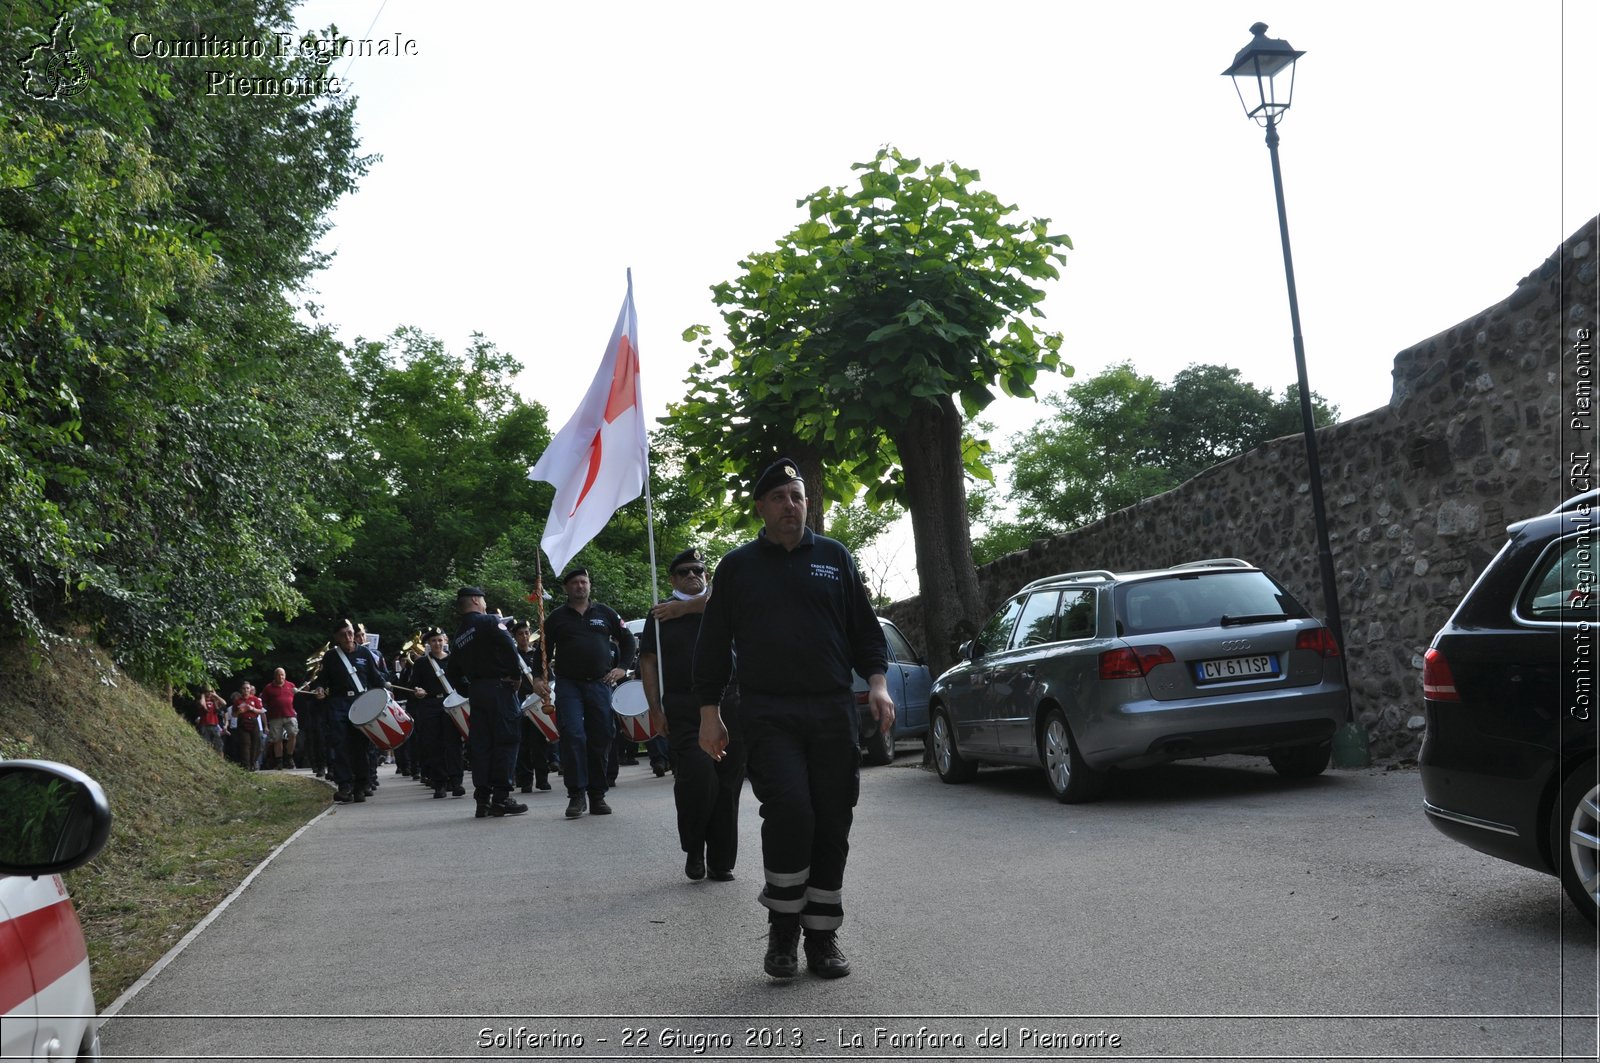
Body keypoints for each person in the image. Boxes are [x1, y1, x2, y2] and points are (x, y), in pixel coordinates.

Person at [692, 458, 894, 981]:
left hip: (831, 710)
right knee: (791, 812)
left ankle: (822, 937)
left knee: (832, 817)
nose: (790, 505)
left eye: (797, 496)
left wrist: (877, 684)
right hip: (768, 712)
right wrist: (708, 715)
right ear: (760, 507)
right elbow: (712, 646)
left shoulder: (834, 557)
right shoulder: (737, 567)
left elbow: (864, 631)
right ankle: (783, 929)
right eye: (779, 496)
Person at [640, 547, 744, 882]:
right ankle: (694, 848)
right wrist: (655, 708)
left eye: (698, 570)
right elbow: (648, 663)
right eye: (683, 572)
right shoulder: (658, 615)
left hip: (729, 702)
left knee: (728, 782)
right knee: (698, 779)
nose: (691, 576)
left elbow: (729, 604)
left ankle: (721, 860)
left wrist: (683, 608)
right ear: (672, 578)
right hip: (684, 706)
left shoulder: (720, 603)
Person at [532, 567, 635, 820]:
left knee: (602, 735)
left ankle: (597, 795)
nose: (580, 586)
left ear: (589, 585)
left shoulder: (605, 613)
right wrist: (536, 678)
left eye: (584, 582)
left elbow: (628, 640)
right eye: (575, 583)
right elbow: (542, 650)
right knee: (573, 735)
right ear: (567, 588)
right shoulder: (556, 617)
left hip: (600, 684)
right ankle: (576, 795)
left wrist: (622, 667)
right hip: (569, 686)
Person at [313, 621, 422, 804]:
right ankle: (345, 785)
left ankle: (361, 785)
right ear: (337, 638)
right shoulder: (331, 657)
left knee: (360, 746)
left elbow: (375, 677)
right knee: (340, 745)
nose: (348, 638)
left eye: (350, 633)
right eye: (343, 635)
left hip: (361, 703)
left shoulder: (364, 653)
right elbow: (321, 680)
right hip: (338, 704)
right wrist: (320, 689)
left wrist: (389, 691)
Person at [445, 587, 528, 818]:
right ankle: (501, 798)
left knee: (482, 746)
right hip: (500, 689)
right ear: (475, 600)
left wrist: (469, 689)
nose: (484, 603)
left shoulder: (459, 635)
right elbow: (509, 646)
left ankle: (482, 800)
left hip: (477, 692)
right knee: (506, 741)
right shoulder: (490, 621)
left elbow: (451, 672)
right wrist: (516, 675)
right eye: (483, 600)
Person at [407, 627, 467, 800]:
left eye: (440, 640)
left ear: (445, 641)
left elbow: (463, 682)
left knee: (453, 744)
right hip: (431, 705)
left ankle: (456, 782)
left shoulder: (454, 660)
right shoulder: (421, 663)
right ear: (428, 644)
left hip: (452, 704)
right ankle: (439, 783)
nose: (437, 643)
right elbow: (413, 686)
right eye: (433, 641)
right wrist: (417, 691)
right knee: (434, 745)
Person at [510, 619, 554, 795]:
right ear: (515, 636)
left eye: (527, 632)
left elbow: (549, 678)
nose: (524, 636)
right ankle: (525, 780)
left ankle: (542, 779)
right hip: (519, 703)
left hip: (536, 704)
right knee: (522, 744)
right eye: (520, 634)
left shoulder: (538, 655)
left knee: (539, 744)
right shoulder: (511, 656)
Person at [260, 668, 300, 770]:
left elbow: (298, 697)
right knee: (277, 739)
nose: (280, 677)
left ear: (285, 675)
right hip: (275, 717)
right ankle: (279, 761)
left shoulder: (291, 685)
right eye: (278, 675)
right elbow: (263, 702)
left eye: (282, 675)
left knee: (293, 734)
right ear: (275, 676)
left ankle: (289, 758)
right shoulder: (268, 688)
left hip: (290, 714)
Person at [230, 682, 266, 771]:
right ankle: (246, 765)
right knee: (245, 744)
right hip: (242, 722)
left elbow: (261, 711)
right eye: (244, 688)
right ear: (241, 690)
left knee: (255, 743)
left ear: (250, 689)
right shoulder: (238, 701)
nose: (246, 690)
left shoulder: (255, 699)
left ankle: (253, 763)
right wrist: (239, 711)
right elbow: (233, 715)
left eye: (247, 688)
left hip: (253, 722)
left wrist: (252, 708)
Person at [195, 688, 226, 754]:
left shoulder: (215, 701)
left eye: (211, 691)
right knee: (206, 744)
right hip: (204, 725)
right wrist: (203, 696)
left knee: (219, 745)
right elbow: (202, 704)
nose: (209, 693)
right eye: (207, 692)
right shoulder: (201, 700)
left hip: (214, 725)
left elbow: (224, 703)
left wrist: (215, 695)